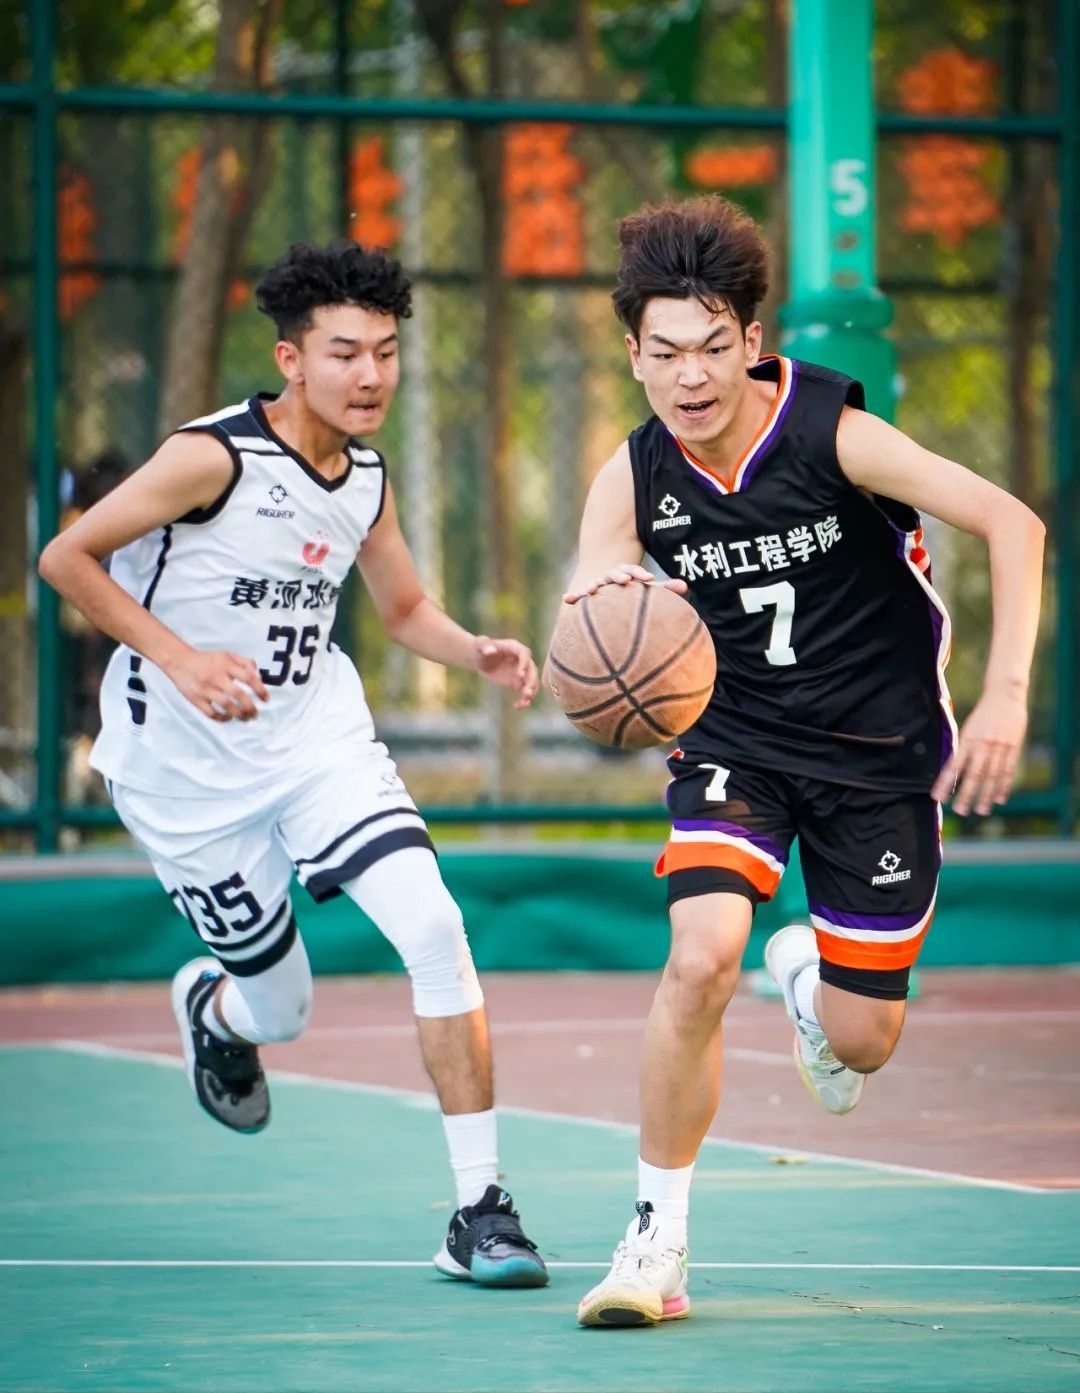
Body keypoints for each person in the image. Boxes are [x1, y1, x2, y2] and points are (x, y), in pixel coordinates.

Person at [562, 197, 1044, 1326]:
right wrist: (598, 616)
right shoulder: (632, 476)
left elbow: (1013, 523)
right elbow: (592, 598)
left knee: (865, 1041)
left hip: (878, 750)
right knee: (698, 957)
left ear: (751, 341)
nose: (691, 376)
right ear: (633, 354)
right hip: (734, 738)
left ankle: (806, 983)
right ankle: (655, 1240)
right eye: (665, 352)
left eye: (712, 347)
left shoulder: (832, 431)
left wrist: (1007, 695)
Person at [39, 241, 549, 1289]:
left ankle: (480, 1211)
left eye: (387, 352)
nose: (371, 374)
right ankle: (214, 1011)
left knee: (435, 927)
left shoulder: (365, 478)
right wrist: (180, 659)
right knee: (282, 1011)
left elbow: (403, 607)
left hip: (316, 742)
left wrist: (476, 651)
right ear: (291, 359)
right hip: (183, 777)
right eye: (345, 353)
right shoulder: (211, 458)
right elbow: (65, 557)